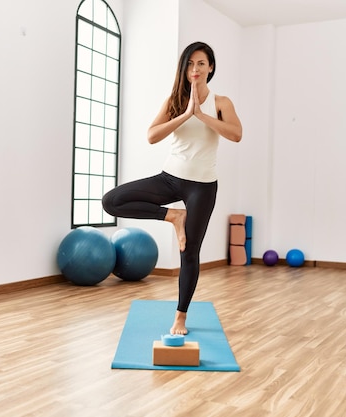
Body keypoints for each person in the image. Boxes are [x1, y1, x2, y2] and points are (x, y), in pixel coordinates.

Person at [102, 41, 242, 335]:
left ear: (211, 67)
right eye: (190, 64)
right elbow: (152, 136)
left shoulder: (221, 102)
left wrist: (203, 115)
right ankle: (173, 216)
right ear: (184, 68)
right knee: (112, 201)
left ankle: (180, 316)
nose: (195, 69)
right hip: (170, 178)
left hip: (202, 186)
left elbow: (236, 134)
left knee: (189, 252)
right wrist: (186, 114)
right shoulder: (175, 100)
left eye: (201, 63)